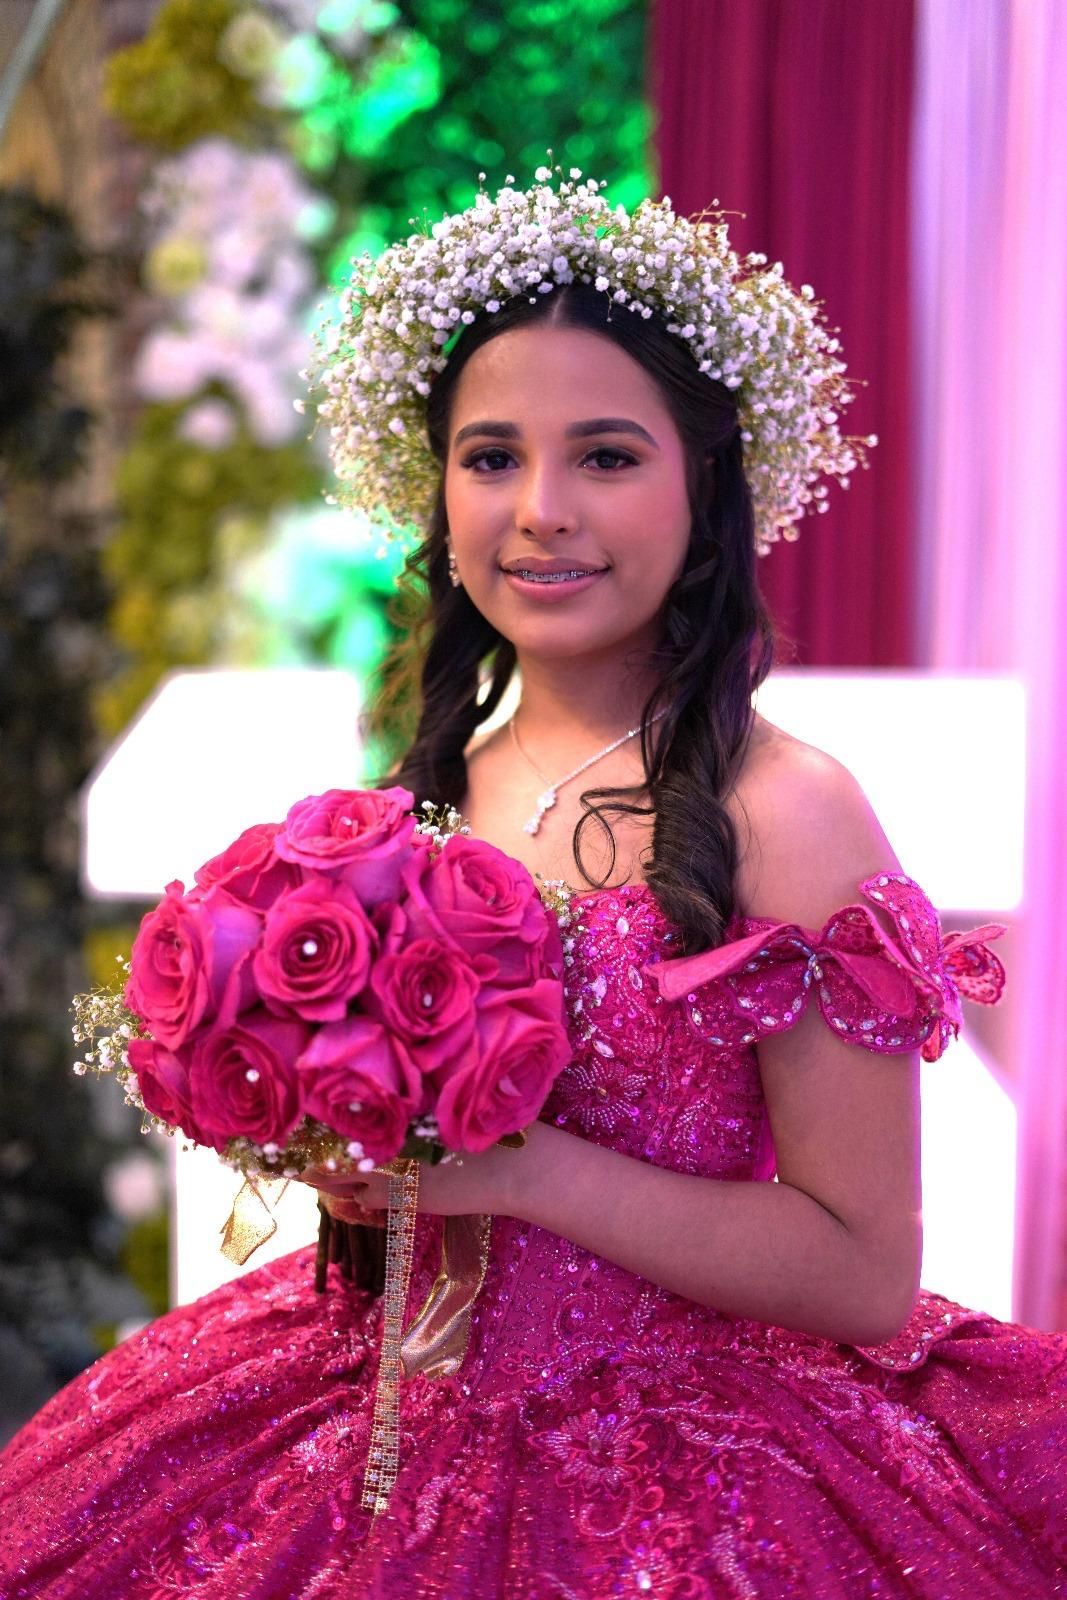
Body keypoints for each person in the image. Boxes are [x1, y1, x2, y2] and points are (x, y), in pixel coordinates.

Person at [1, 165, 1064, 1599]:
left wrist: (530, 1174)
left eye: (608, 457)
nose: (543, 510)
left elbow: (864, 1270)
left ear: (709, 483)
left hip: (698, 1462)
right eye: (493, 456)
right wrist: (338, 1154)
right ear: (437, 490)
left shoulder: (788, 809)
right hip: (370, 1412)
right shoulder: (413, 797)